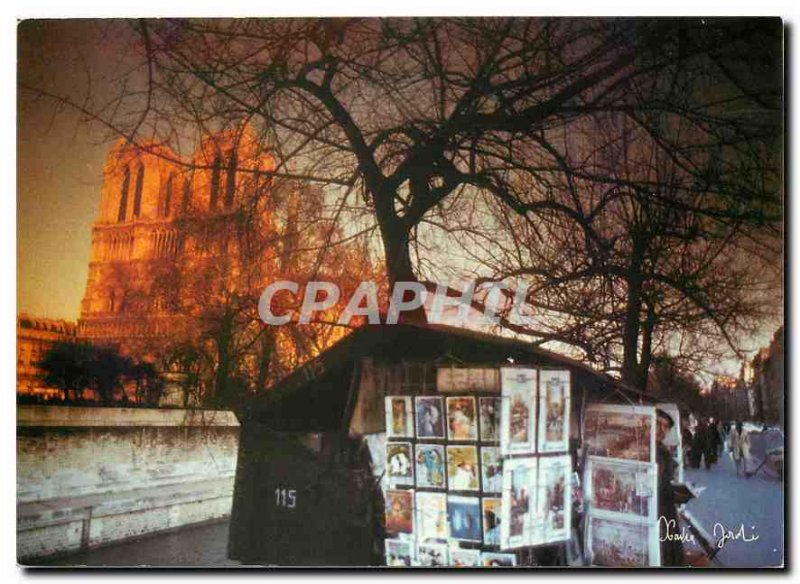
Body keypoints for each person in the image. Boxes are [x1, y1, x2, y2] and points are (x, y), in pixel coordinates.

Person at [656, 408, 684, 566]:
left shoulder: (662, 450)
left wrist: (679, 493)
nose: (662, 430)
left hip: (666, 510)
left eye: (665, 427)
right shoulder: (646, 449)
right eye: (658, 424)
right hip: (656, 511)